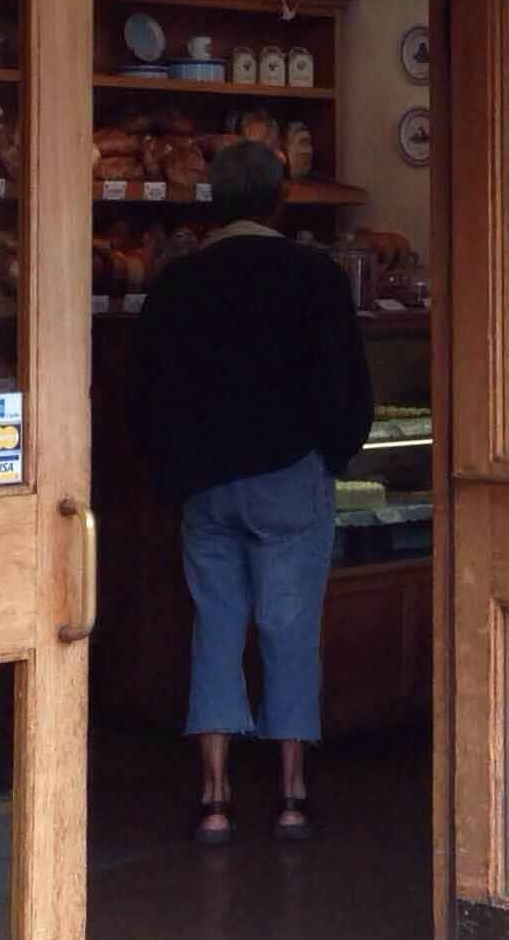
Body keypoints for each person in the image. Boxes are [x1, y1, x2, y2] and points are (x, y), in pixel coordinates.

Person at [133, 139, 373, 845]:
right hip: (290, 477)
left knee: (215, 625)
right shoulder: (315, 277)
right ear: (280, 199)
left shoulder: (178, 282)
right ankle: (292, 793)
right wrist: (333, 452)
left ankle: (214, 795)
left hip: (206, 483)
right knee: (288, 627)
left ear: (213, 200)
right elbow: (346, 388)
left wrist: (173, 471)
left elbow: (146, 390)